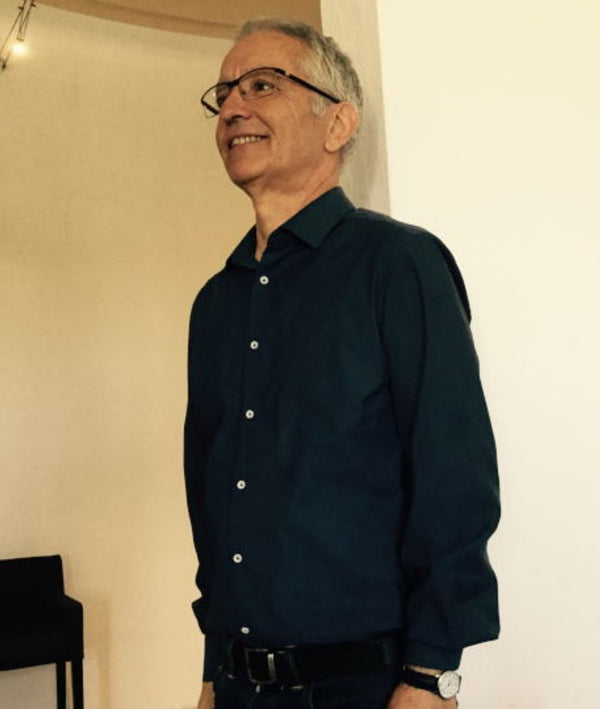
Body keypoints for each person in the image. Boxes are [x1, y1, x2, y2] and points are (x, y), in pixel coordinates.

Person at [184, 17, 500, 709]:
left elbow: (455, 475)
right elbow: (213, 501)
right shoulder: (216, 302)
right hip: (237, 685)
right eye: (224, 92)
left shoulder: (399, 264)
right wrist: (213, 670)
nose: (233, 107)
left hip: (365, 688)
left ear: (338, 123)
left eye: (262, 85)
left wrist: (432, 674)